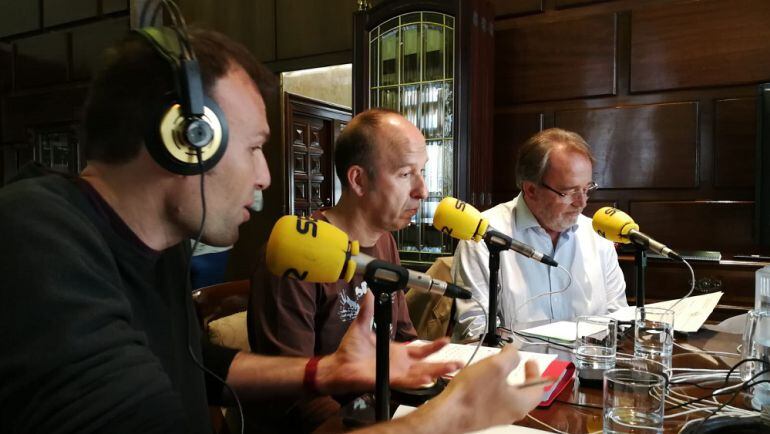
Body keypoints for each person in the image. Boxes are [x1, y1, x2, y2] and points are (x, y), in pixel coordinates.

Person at [0, 24, 544, 434]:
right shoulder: (35, 238)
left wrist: (325, 372)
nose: (264, 176)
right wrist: (451, 417)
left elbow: (202, 368)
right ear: (187, 137)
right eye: (256, 147)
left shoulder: (157, 248)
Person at [247, 108, 423, 431]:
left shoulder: (386, 244)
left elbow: (402, 338)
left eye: (421, 172)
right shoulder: (297, 257)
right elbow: (292, 392)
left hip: (383, 411)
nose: (422, 191)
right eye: (405, 174)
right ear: (358, 179)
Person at [452, 128, 627, 341]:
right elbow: (475, 331)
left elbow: (618, 320)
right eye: (569, 192)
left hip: (587, 369)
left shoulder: (598, 237)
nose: (582, 203)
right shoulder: (483, 236)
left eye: (587, 189)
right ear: (531, 190)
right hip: (517, 370)